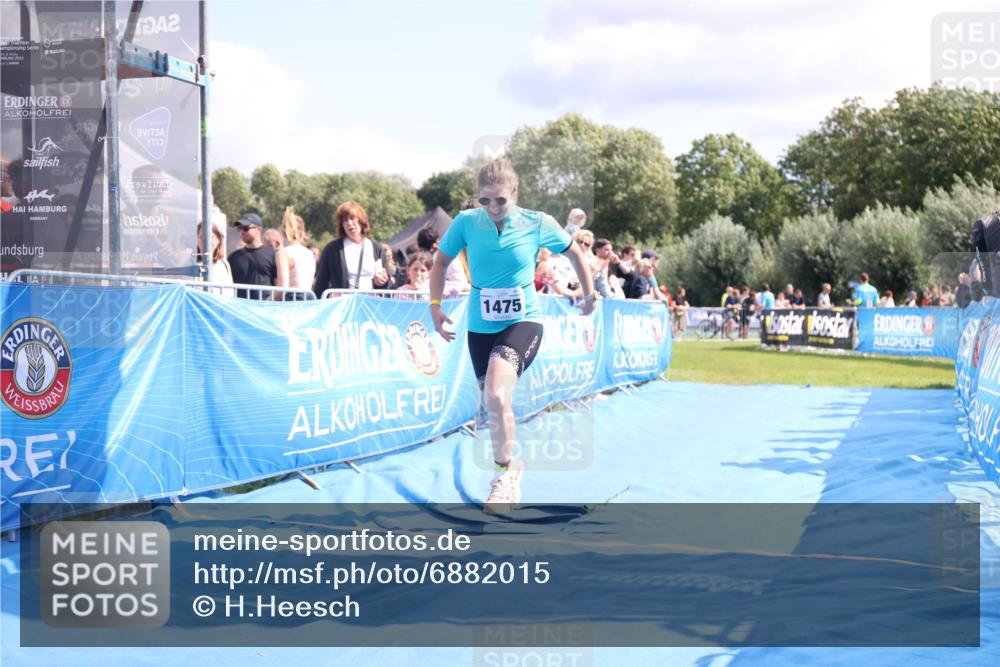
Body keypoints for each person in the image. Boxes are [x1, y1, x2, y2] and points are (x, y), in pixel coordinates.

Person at [429, 158, 596, 515]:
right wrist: (434, 305)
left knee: (496, 392)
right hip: (480, 325)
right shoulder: (466, 223)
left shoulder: (538, 222)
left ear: (515, 194)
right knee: (493, 404)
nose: (492, 209)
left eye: (500, 201)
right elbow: (440, 263)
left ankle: (503, 479)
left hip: (523, 321)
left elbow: (576, 252)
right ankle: (512, 464)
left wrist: (589, 292)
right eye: (485, 201)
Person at [313, 201, 390, 296]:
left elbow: (387, 284)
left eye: (352, 218)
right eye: (345, 220)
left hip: (370, 305)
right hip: (344, 305)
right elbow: (321, 283)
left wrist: (383, 281)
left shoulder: (377, 249)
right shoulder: (332, 249)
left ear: (361, 221)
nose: (349, 223)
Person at [228, 212, 277, 299]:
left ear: (259, 229)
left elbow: (278, 284)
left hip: (266, 308)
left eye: (246, 228)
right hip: (240, 308)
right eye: (240, 228)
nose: (242, 231)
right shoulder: (233, 258)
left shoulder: (272, 254)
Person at [275, 206, 316, 300]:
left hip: (291, 303)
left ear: (283, 231)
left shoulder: (283, 253)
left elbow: (282, 288)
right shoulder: (310, 254)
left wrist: (266, 302)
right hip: (309, 301)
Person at [197, 221, 235, 297]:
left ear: (218, 239)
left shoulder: (224, 263)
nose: (205, 241)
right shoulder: (191, 263)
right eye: (201, 237)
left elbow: (230, 293)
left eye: (210, 237)